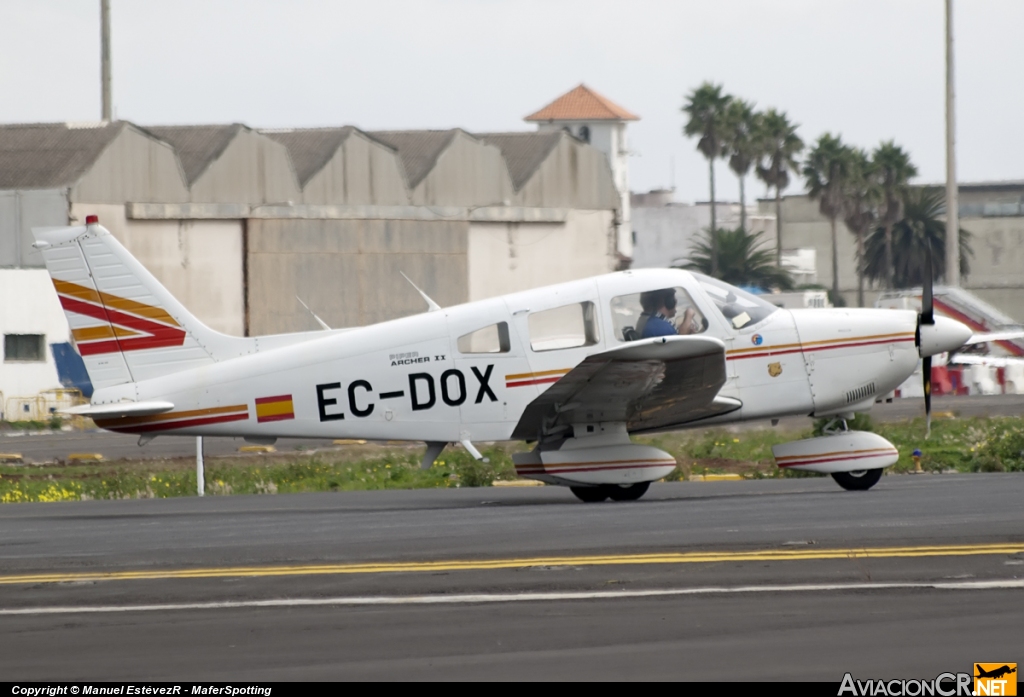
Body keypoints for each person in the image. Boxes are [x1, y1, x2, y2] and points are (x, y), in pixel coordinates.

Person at [637, 288, 702, 338]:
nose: (676, 302)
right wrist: (689, 316)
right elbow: (679, 343)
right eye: (674, 299)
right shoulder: (659, 326)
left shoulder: (656, 322)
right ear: (669, 302)